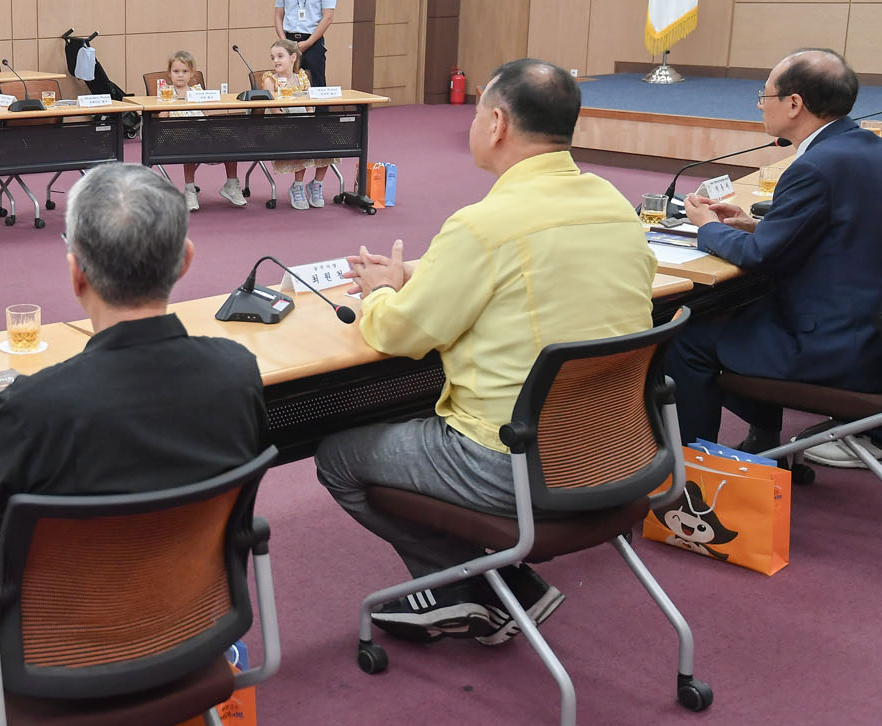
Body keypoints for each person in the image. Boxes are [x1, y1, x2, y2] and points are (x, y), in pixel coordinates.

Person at [0, 163, 265, 726]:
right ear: (185, 261)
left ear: (76, 272)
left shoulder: (40, 406)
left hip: (52, 652)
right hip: (193, 626)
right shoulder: (238, 372)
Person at [315, 59, 655, 644]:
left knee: (338, 456)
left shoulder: (483, 225)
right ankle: (503, 581)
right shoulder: (613, 202)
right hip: (617, 450)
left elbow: (399, 334)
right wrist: (421, 274)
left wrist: (381, 293)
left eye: (476, 113)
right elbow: (549, 271)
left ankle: (460, 587)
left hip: (515, 465)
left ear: (496, 124)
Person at [668, 48, 882, 465]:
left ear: (794, 103)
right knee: (741, 313)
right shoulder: (868, 148)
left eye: (764, 96)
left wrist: (706, 226)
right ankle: (764, 445)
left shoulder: (814, 167)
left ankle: (694, 471)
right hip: (866, 330)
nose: (760, 106)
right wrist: (753, 225)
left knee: (685, 335)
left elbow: (761, 258)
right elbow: (842, 231)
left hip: (833, 344)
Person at [160, 51, 244, 211]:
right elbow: (162, 121)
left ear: (191, 73)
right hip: (177, 134)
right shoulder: (167, 93)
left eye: (185, 71)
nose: (180, 75)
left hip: (201, 132)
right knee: (189, 141)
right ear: (169, 74)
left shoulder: (197, 91)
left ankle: (231, 184)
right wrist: (166, 103)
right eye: (176, 71)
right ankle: (190, 189)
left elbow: (206, 115)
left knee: (229, 137)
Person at [261, 40, 337, 211]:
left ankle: (316, 184)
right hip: (279, 126)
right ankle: (298, 186)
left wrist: (308, 122)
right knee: (301, 138)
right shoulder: (270, 80)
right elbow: (275, 111)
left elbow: (310, 107)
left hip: (302, 122)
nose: (275, 61)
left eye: (280, 56)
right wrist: (296, 124)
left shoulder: (302, 77)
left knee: (328, 139)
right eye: (273, 57)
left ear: (293, 57)